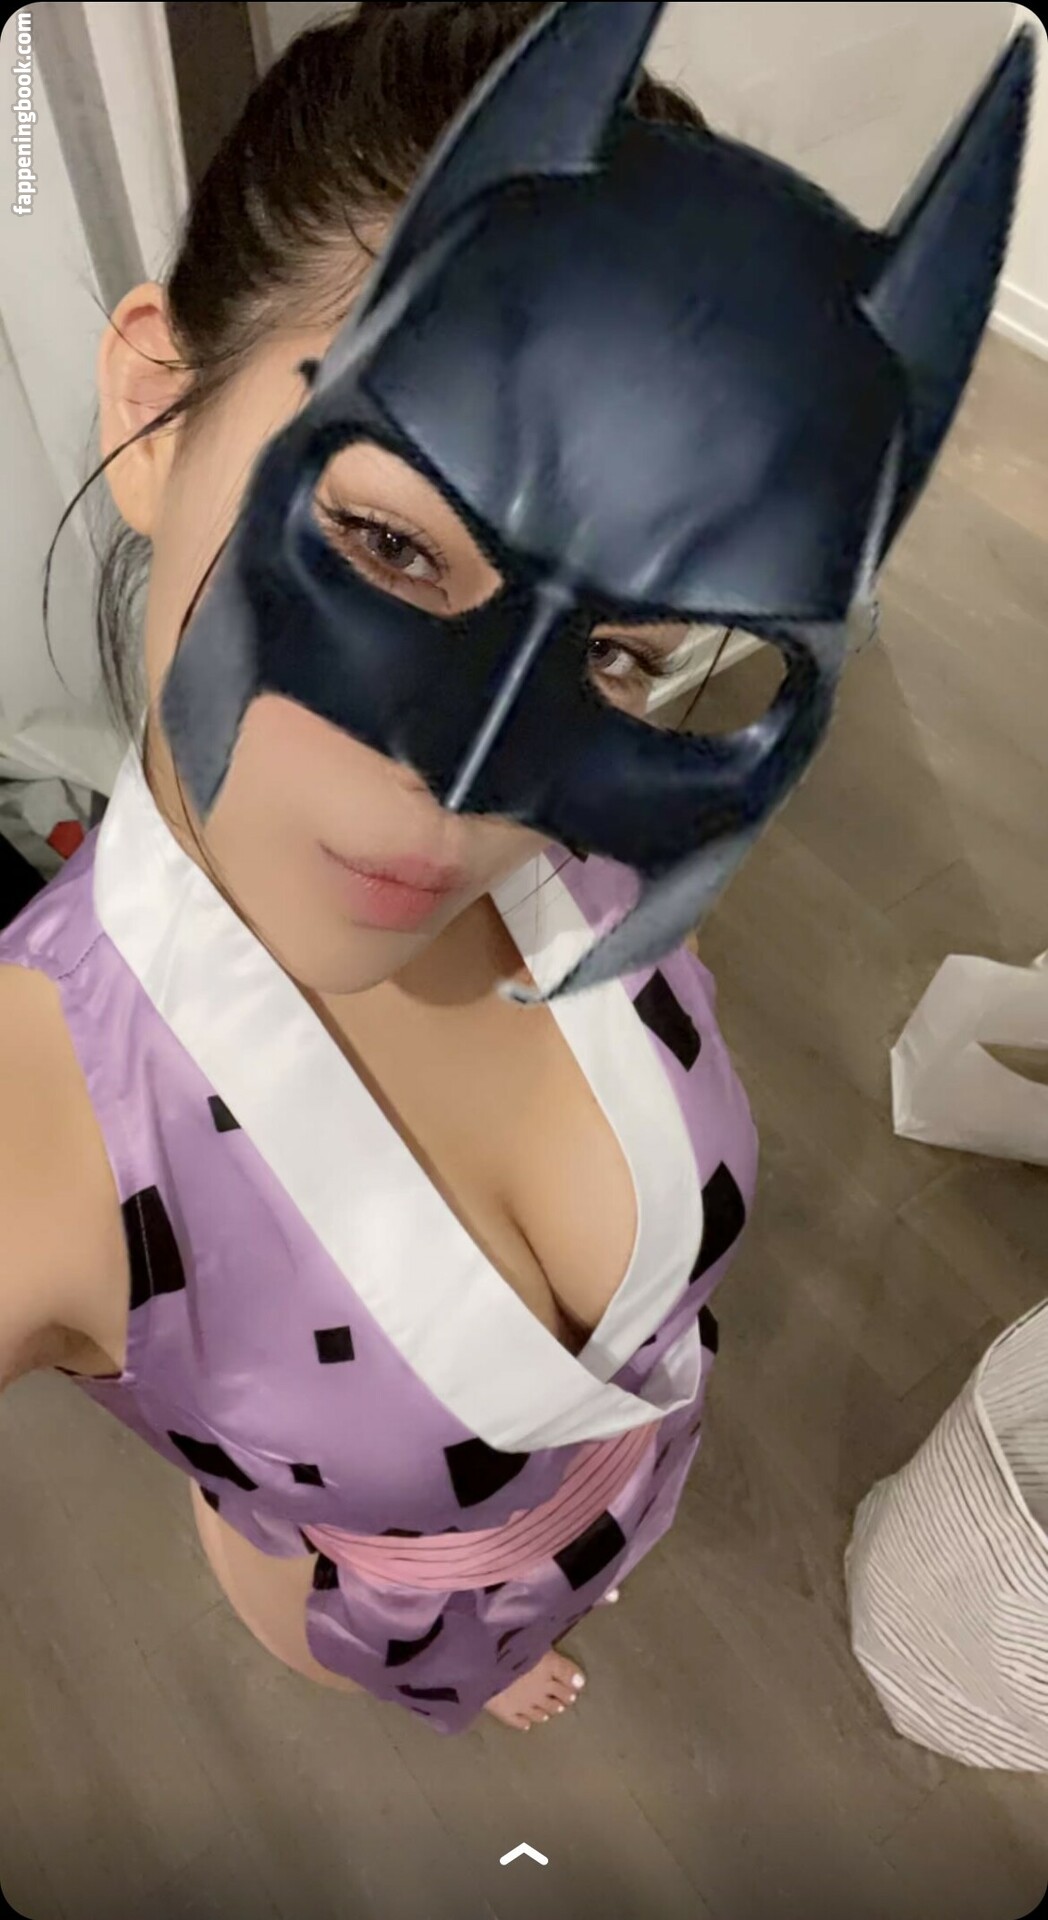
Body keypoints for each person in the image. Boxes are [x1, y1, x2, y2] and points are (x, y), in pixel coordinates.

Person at [0, 0, 1027, 1743]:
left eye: (623, 650)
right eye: (388, 543)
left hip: (617, 1486)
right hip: (377, 1592)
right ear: (160, 408)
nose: (470, 783)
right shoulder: (43, 1130)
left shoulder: (606, 831)